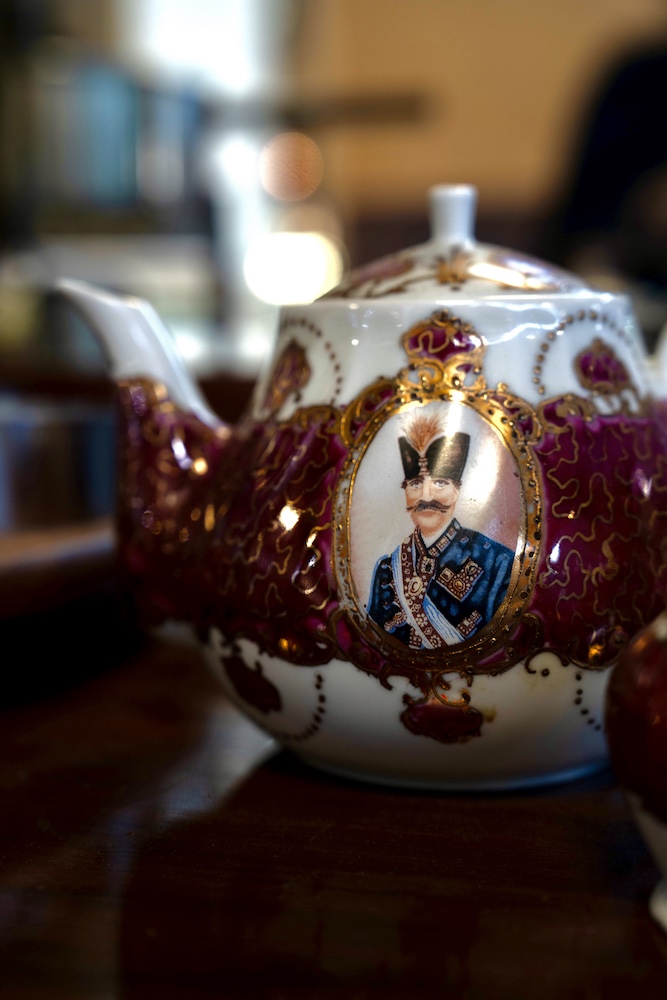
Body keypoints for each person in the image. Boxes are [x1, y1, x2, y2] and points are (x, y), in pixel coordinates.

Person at [366, 412, 514, 649]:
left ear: (456, 491)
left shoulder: (499, 563)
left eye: (440, 483)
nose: (426, 496)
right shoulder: (386, 570)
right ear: (405, 493)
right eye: (415, 484)